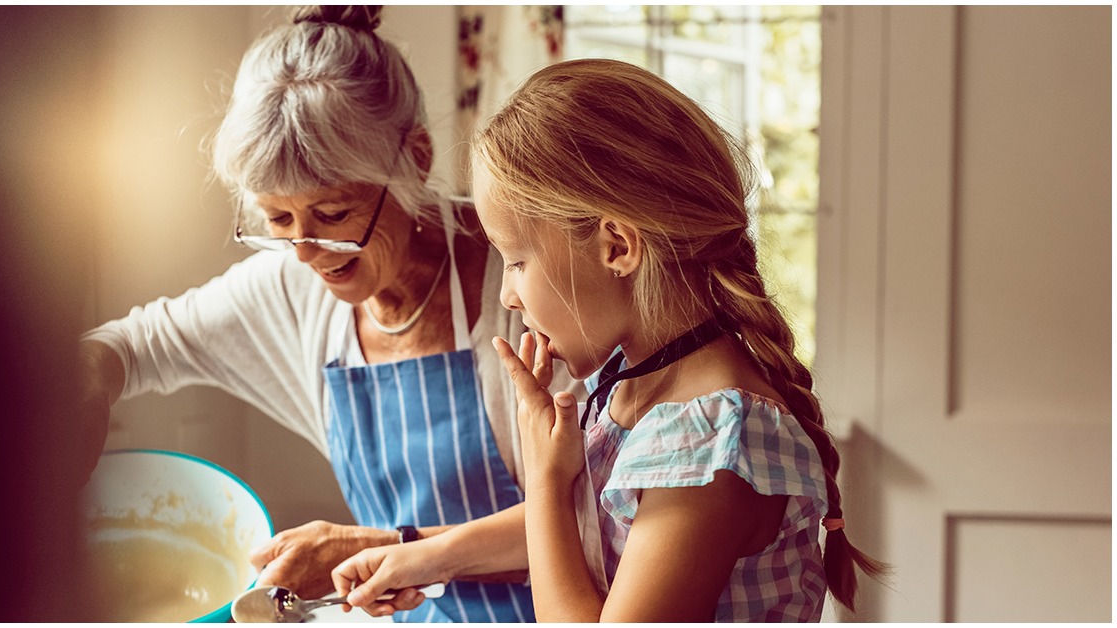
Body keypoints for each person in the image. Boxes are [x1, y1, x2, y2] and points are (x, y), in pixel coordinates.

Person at [330, 58, 889, 622]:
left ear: (617, 246)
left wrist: (546, 477)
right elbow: (593, 521)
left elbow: (567, 527)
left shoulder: (713, 444)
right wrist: (419, 558)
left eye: (518, 261)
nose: (507, 296)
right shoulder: (629, 381)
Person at [78, 6, 581, 623]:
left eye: (334, 215)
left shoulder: (523, 286)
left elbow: (597, 518)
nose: (307, 252)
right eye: (277, 221)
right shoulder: (293, 285)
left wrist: (390, 547)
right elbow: (133, 347)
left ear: (414, 161)